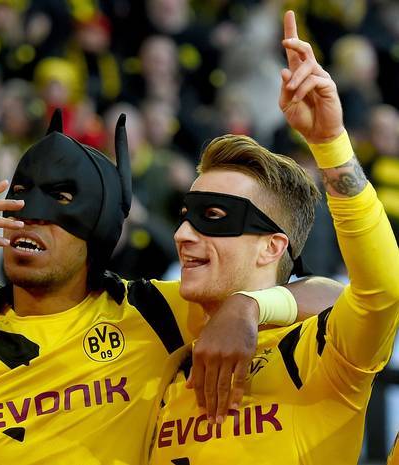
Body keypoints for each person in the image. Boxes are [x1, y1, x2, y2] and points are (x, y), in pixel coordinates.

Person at [0, 108, 338, 464]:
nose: (29, 219)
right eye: (21, 200)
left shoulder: (155, 310)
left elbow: (335, 296)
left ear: (96, 232)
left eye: (57, 205)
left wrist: (247, 305)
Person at [148, 10, 399, 465]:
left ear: (272, 247)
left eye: (213, 217)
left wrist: (330, 143)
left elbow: (380, 291)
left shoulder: (320, 353)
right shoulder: (155, 336)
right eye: (185, 216)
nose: (182, 234)